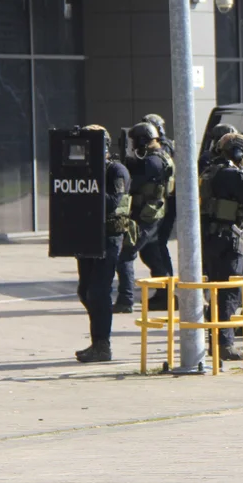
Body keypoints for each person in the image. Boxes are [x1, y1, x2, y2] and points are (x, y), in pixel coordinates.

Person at [199, 131, 243, 361]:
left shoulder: (210, 172)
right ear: (237, 153)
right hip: (229, 239)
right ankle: (225, 344)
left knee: (216, 291)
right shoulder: (233, 175)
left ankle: (214, 342)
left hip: (210, 238)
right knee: (230, 292)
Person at [75, 125, 132, 363]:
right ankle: (97, 340)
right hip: (87, 236)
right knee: (85, 292)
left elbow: (113, 201)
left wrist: (89, 185)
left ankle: (102, 345)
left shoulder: (115, 170)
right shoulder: (82, 169)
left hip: (108, 237)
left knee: (98, 292)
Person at [114, 121, 175, 313]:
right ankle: (165, 297)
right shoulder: (162, 157)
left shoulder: (152, 161)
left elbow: (133, 183)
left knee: (124, 255)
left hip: (147, 216)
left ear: (143, 140)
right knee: (152, 255)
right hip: (154, 215)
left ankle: (126, 300)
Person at [140, 113, 175, 284]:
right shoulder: (166, 147)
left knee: (154, 246)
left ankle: (166, 289)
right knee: (154, 247)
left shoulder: (163, 149)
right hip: (163, 204)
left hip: (161, 204)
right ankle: (165, 288)